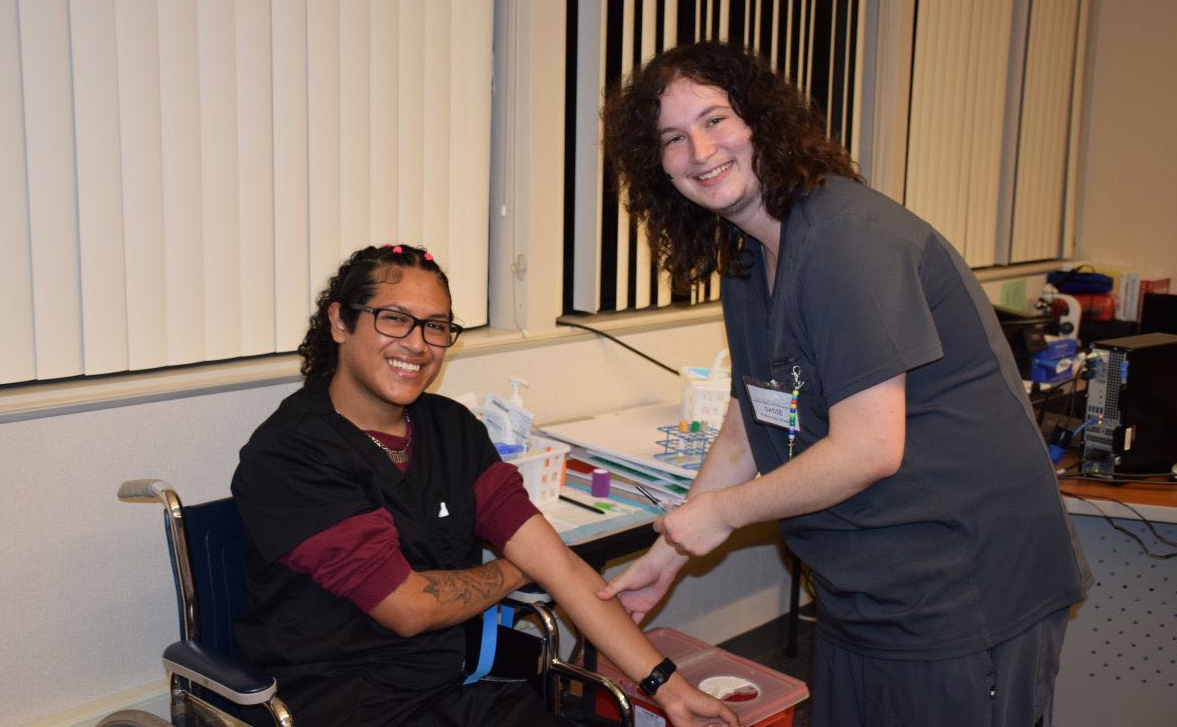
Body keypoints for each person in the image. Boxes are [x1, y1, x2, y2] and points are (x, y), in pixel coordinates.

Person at [597, 42, 1091, 727]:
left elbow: (869, 450)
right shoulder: (750, 256)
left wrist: (724, 512)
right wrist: (669, 553)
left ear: (763, 122)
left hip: (962, 586)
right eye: (673, 138)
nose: (699, 150)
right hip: (865, 592)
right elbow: (755, 416)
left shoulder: (846, 240)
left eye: (715, 120)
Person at [232, 244, 739, 727]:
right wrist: (523, 567)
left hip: (452, 692)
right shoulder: (290, 454)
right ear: (340, 322)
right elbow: (410, 608)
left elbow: (561, 566)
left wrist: (670, 689)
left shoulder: (451, 429)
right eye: (394, 318)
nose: (416, 343)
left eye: (435, 326)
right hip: (342, 704)